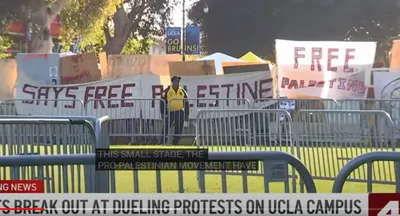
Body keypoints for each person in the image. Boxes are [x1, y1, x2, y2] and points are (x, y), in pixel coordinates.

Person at [160, 76, 189, 145]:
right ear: (172, 82)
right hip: (170, 112)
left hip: (179, 112)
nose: (177, 83)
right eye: (176, 81)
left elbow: (186, 102)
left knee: (178, 128)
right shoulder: (167, 90)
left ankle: (175, 143)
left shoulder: (182, 90)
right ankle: (162, 142)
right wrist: (163, 112)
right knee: (166, 128)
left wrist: (186, 114)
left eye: (178, 81)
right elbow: (162, 101)